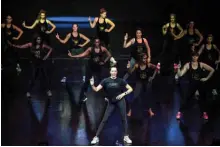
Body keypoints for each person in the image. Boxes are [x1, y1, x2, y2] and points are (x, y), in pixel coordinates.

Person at [89, 66, 133, 145]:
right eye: (112, 71)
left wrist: (123, 94)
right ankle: (96, 137)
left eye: (115, 71)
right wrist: (92, 85)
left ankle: (126, 136)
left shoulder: (120, 80)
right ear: (110, 72)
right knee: (104, 119)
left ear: (117, 72)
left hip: (120, 101)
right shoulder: (105, 81)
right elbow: (96, 89)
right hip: (111, 102)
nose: (113, 72)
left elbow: (130, 89)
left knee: (124, 119)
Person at [68, 38, 116, 102]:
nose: (97, 43)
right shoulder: (90, 49)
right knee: (87, 81)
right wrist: (72, 56)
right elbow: (82, 55)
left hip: (98, 67)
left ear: (99, 42)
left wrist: (104, 61)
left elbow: (109, 55)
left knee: (101, 81)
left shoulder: (103, 49)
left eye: (98, 42)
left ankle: (106, 96)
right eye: (96, 42)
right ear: (94, 43)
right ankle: (83, 96)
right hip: (90, 67)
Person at [175, 52, 214, 120]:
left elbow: (212, 70)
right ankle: (179, 112)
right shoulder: (188, 65)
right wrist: (178, 68)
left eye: (196, 56)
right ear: (192, 56)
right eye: (193, 56)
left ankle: (204, 113)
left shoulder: (201, 64)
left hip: (200, 84)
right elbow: (180, 74)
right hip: (191, 85)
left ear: (198, 57)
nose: (195, 57)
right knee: (186, 99)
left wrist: (206, 78)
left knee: (203, 99)